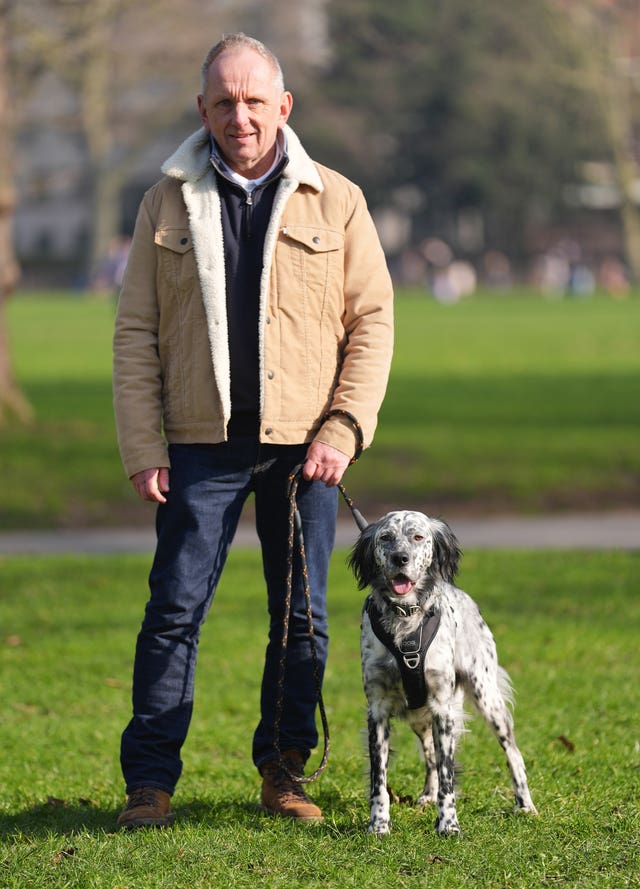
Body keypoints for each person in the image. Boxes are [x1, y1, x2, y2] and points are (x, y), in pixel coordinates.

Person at [112, 32, 394, 829]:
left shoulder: (337, 199)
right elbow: (135, 332)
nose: (241, 116)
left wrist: (343, 427)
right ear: (202, 108)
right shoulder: (165, 199)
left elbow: (372, 323)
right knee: (173, 608)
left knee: (302, 615)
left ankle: (284, 770)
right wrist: (143, 443)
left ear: (283, 106)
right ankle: (150, 783)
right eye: (225, 102)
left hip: (308, 449)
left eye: (254, 101)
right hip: (198, 443)